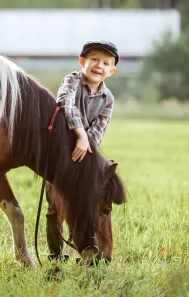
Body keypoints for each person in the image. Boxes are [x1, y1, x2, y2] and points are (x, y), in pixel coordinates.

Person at [46, 41, 119, 260]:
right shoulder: (73, 81)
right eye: (94, 60)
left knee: (87, 200)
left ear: (112, 71)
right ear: (82, 62)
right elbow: (65, 103)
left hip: (85, 152)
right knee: (55, 203)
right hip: (61, 148)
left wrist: (87, 147)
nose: (99, 66)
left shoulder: (108, 99)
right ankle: (55, 253)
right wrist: (79, 134)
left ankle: (87, 245)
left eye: (106, 63)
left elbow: (99, 129)